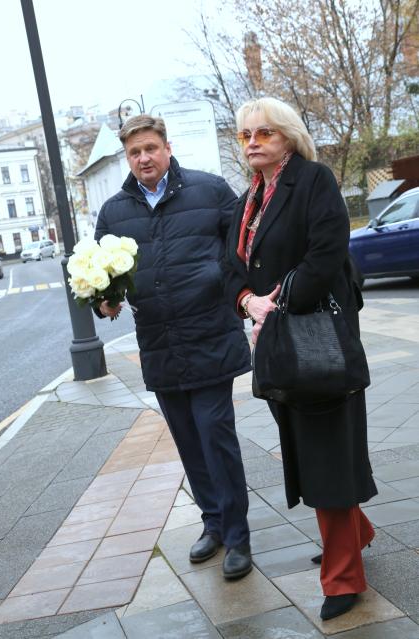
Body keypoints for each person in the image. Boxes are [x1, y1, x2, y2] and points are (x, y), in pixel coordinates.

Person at [224, 97, 378, 620]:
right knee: (308, 445)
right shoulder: (250, 199)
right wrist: (249, 300)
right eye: (246, 135)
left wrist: (277, 302)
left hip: (315, 339)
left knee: (327, 452)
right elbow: (232, 269)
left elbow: (326, 253)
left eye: (264, 133)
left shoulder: (313, 180)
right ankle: (355, 533)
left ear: (287, 136)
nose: (253, 142)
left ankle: (343, 577)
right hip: (276, 342)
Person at [94, 114, 252, 580]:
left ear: (166, 147)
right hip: (159, 341)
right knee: (187, 439)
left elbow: (240, 252)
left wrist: (234, 292)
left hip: (209, 334)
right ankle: (214, 523)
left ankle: (239, 536)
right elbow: (103, 274)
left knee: (215, 435)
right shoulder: (115, 211)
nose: (143, 158)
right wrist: (104, 302)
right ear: (128, 158)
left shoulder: (209, 191)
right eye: (134, 152)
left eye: (149, 148)